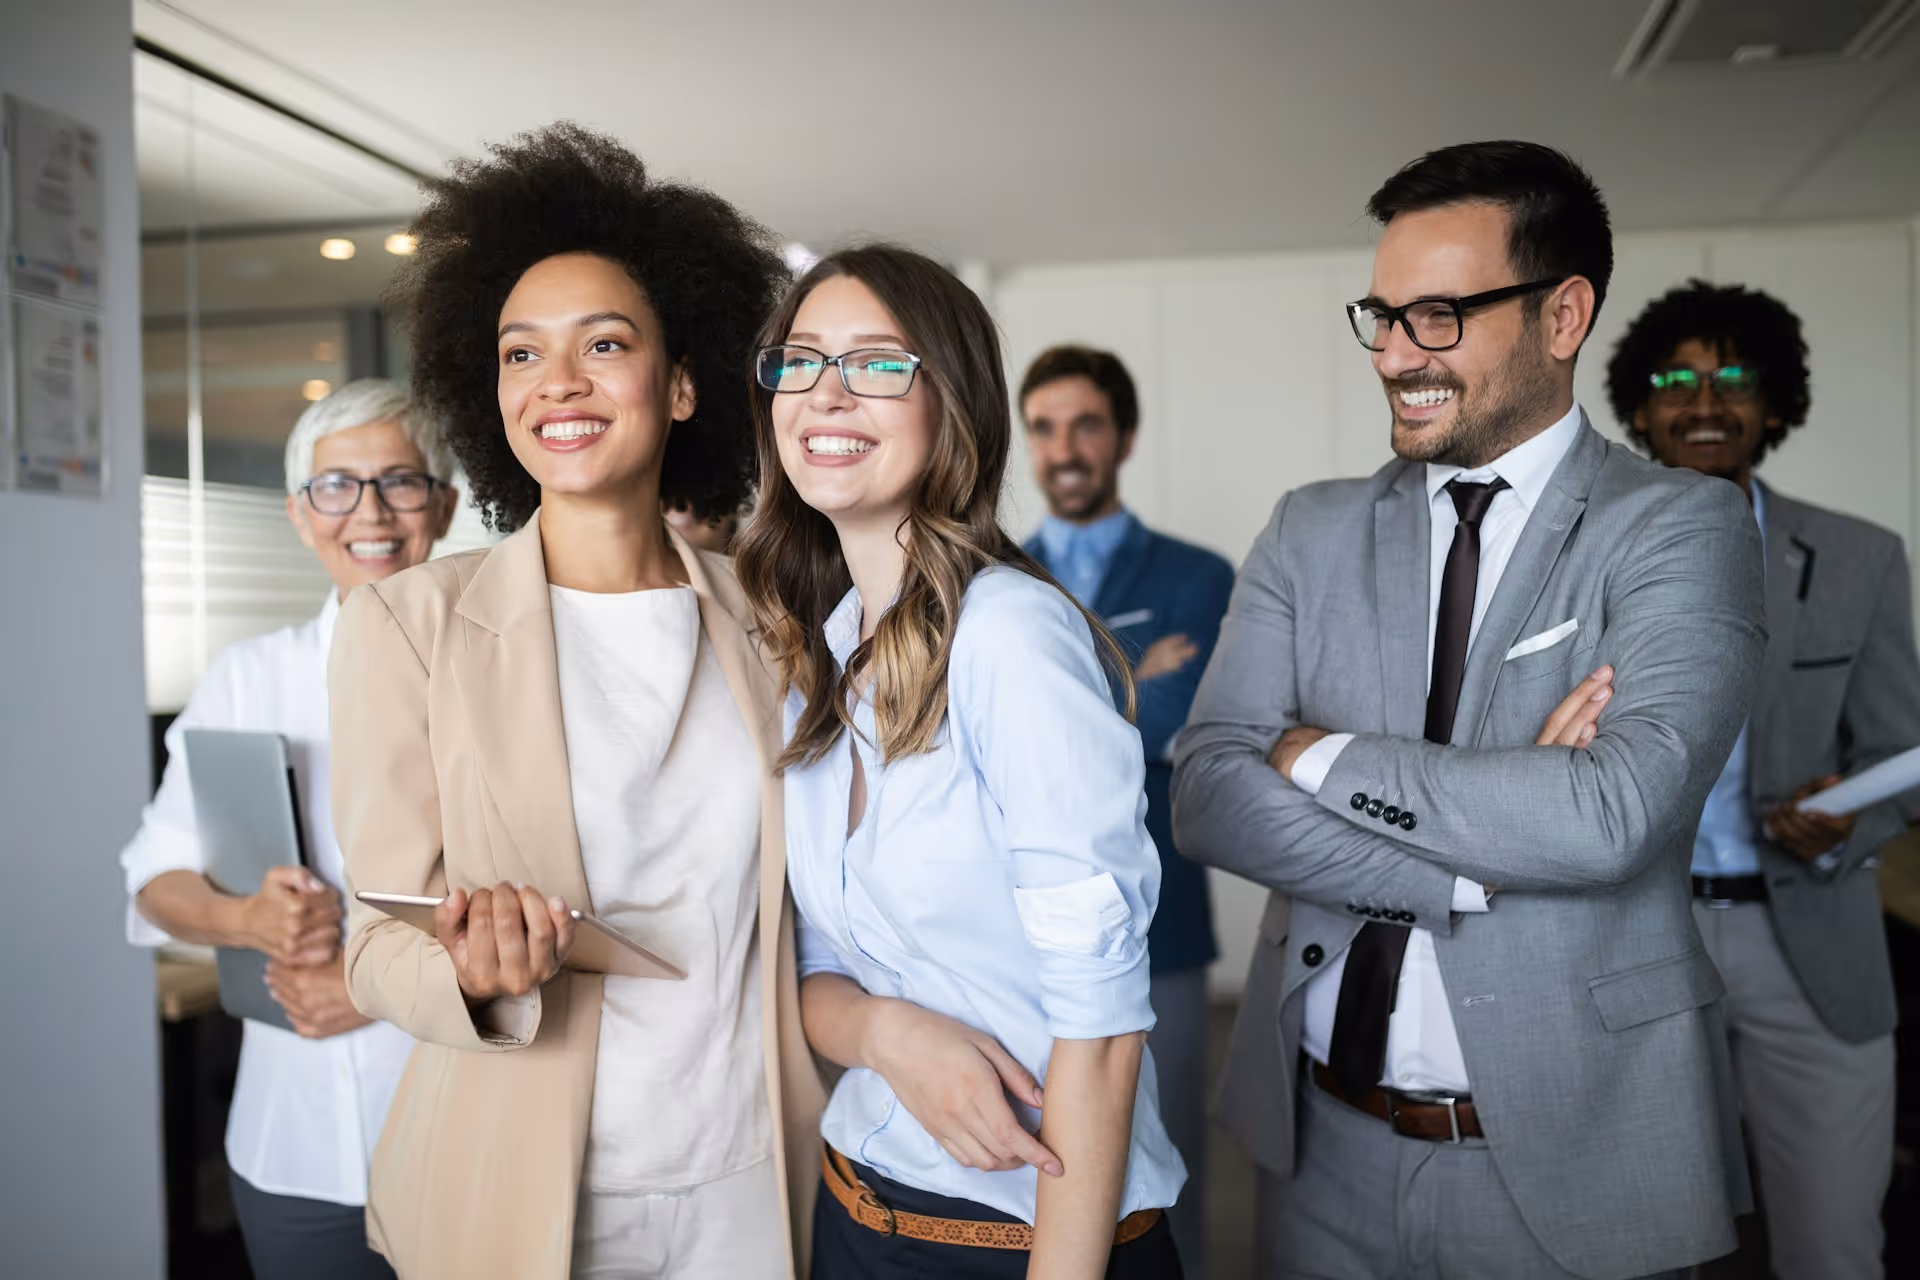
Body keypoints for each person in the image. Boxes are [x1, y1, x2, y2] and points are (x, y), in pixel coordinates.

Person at [1172, 141, 1767, 1280]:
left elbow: (1608, 816)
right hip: (1320, 1150)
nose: (1397, 354)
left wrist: (1316, 753)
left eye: (1439, 315)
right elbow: (1207, 793)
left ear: (1563, 315)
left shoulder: (1677, 528)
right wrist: (1464, 866)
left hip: (1570, 1158)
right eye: (1384, 316)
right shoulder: (1311, 526)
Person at [327, 124, 824, 1280]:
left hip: (753, 1171)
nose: (558, 382)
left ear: (684, 378)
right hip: (523, 1188)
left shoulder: (778, 619)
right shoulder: (410, 625)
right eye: (519, 353)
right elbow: (372, 945)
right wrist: (468, 969)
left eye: (604, 342)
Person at [733, 244, 1186, 1279]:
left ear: (956, 406)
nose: (826, 394)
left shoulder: (1010, 637)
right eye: (798, 362)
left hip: (1029, 1241)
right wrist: (891, 1032)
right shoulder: (818, 655)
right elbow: (815, 970)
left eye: (878, 364)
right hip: (855, 1209)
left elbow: (1105, 1029)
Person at [1606, 279, 1920, 1280]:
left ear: (1776, 403)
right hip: (1631, 936)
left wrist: (1848, 820)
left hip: (1811, 946)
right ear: (1638, 407)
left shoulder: (1862, 557)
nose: (1706, 401)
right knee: (1641, 1246)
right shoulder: (1574, 556)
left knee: (1833, 1247)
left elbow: (1898, 758)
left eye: (1734, 377)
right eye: (1676, 379)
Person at [119, 377, 458, 1280]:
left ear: (447, 502)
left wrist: (388, 988)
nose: (370, 513)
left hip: (464, 1133)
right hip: (292, 1148)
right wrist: (245, 921)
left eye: (401, 481)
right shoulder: (246, 676)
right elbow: (154, 875)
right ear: (302, 516)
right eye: (336, 487)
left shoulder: (505, 676)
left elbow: (567, 903)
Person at [1018, 344, 1232, 1278]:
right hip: (1021, 924)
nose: (1064, 448)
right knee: (1046, 1158)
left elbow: (1194, 723)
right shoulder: (993, 575)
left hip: (1165, 918)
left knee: (1175, 1154)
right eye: (1044, 428)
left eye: (1086, 424)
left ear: (1125, 437)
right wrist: (1135, 678)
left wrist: (1061, 707)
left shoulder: (1198, 576)